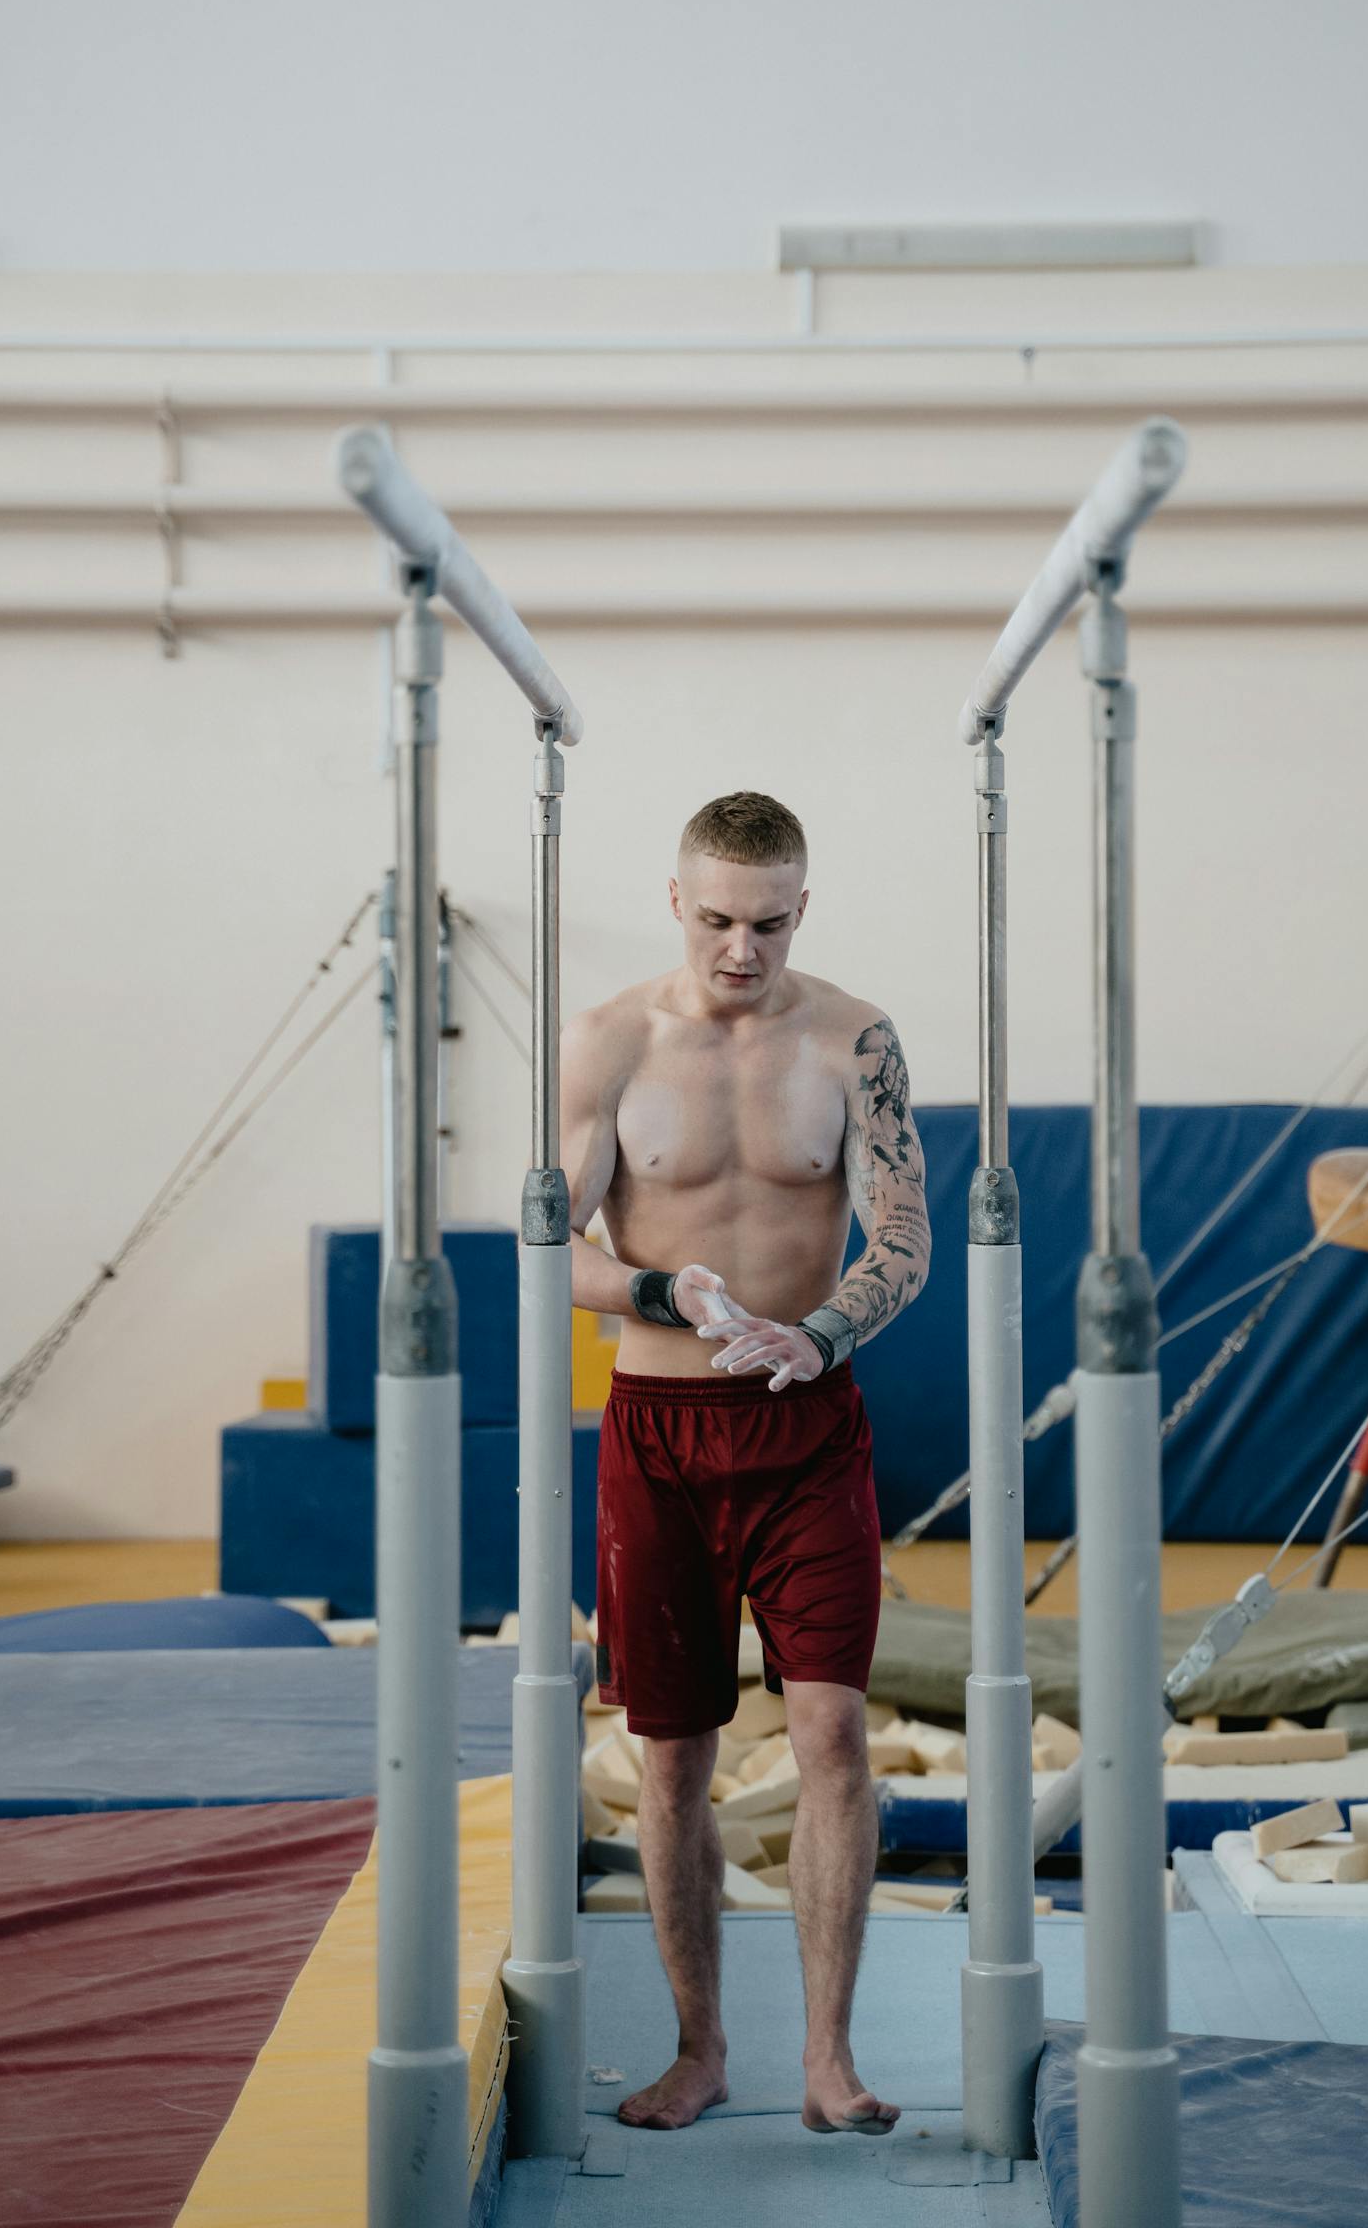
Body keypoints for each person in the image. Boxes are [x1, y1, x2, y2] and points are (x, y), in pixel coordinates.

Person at [564, 790, 931, 2136]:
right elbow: (553, 1249)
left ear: (802, 910)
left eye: (768, 924)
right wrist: (669, 1298)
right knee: (671, 1755)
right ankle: (698, 2048)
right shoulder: (605, 1041)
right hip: (657, 1436)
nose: (740, 950)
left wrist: (819, 1334)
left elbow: (905, 1236)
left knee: (832, 1731)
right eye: (716, 920)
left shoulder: (853, 1041)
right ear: (675, 902)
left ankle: (828, 2064)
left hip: (807, 1426)